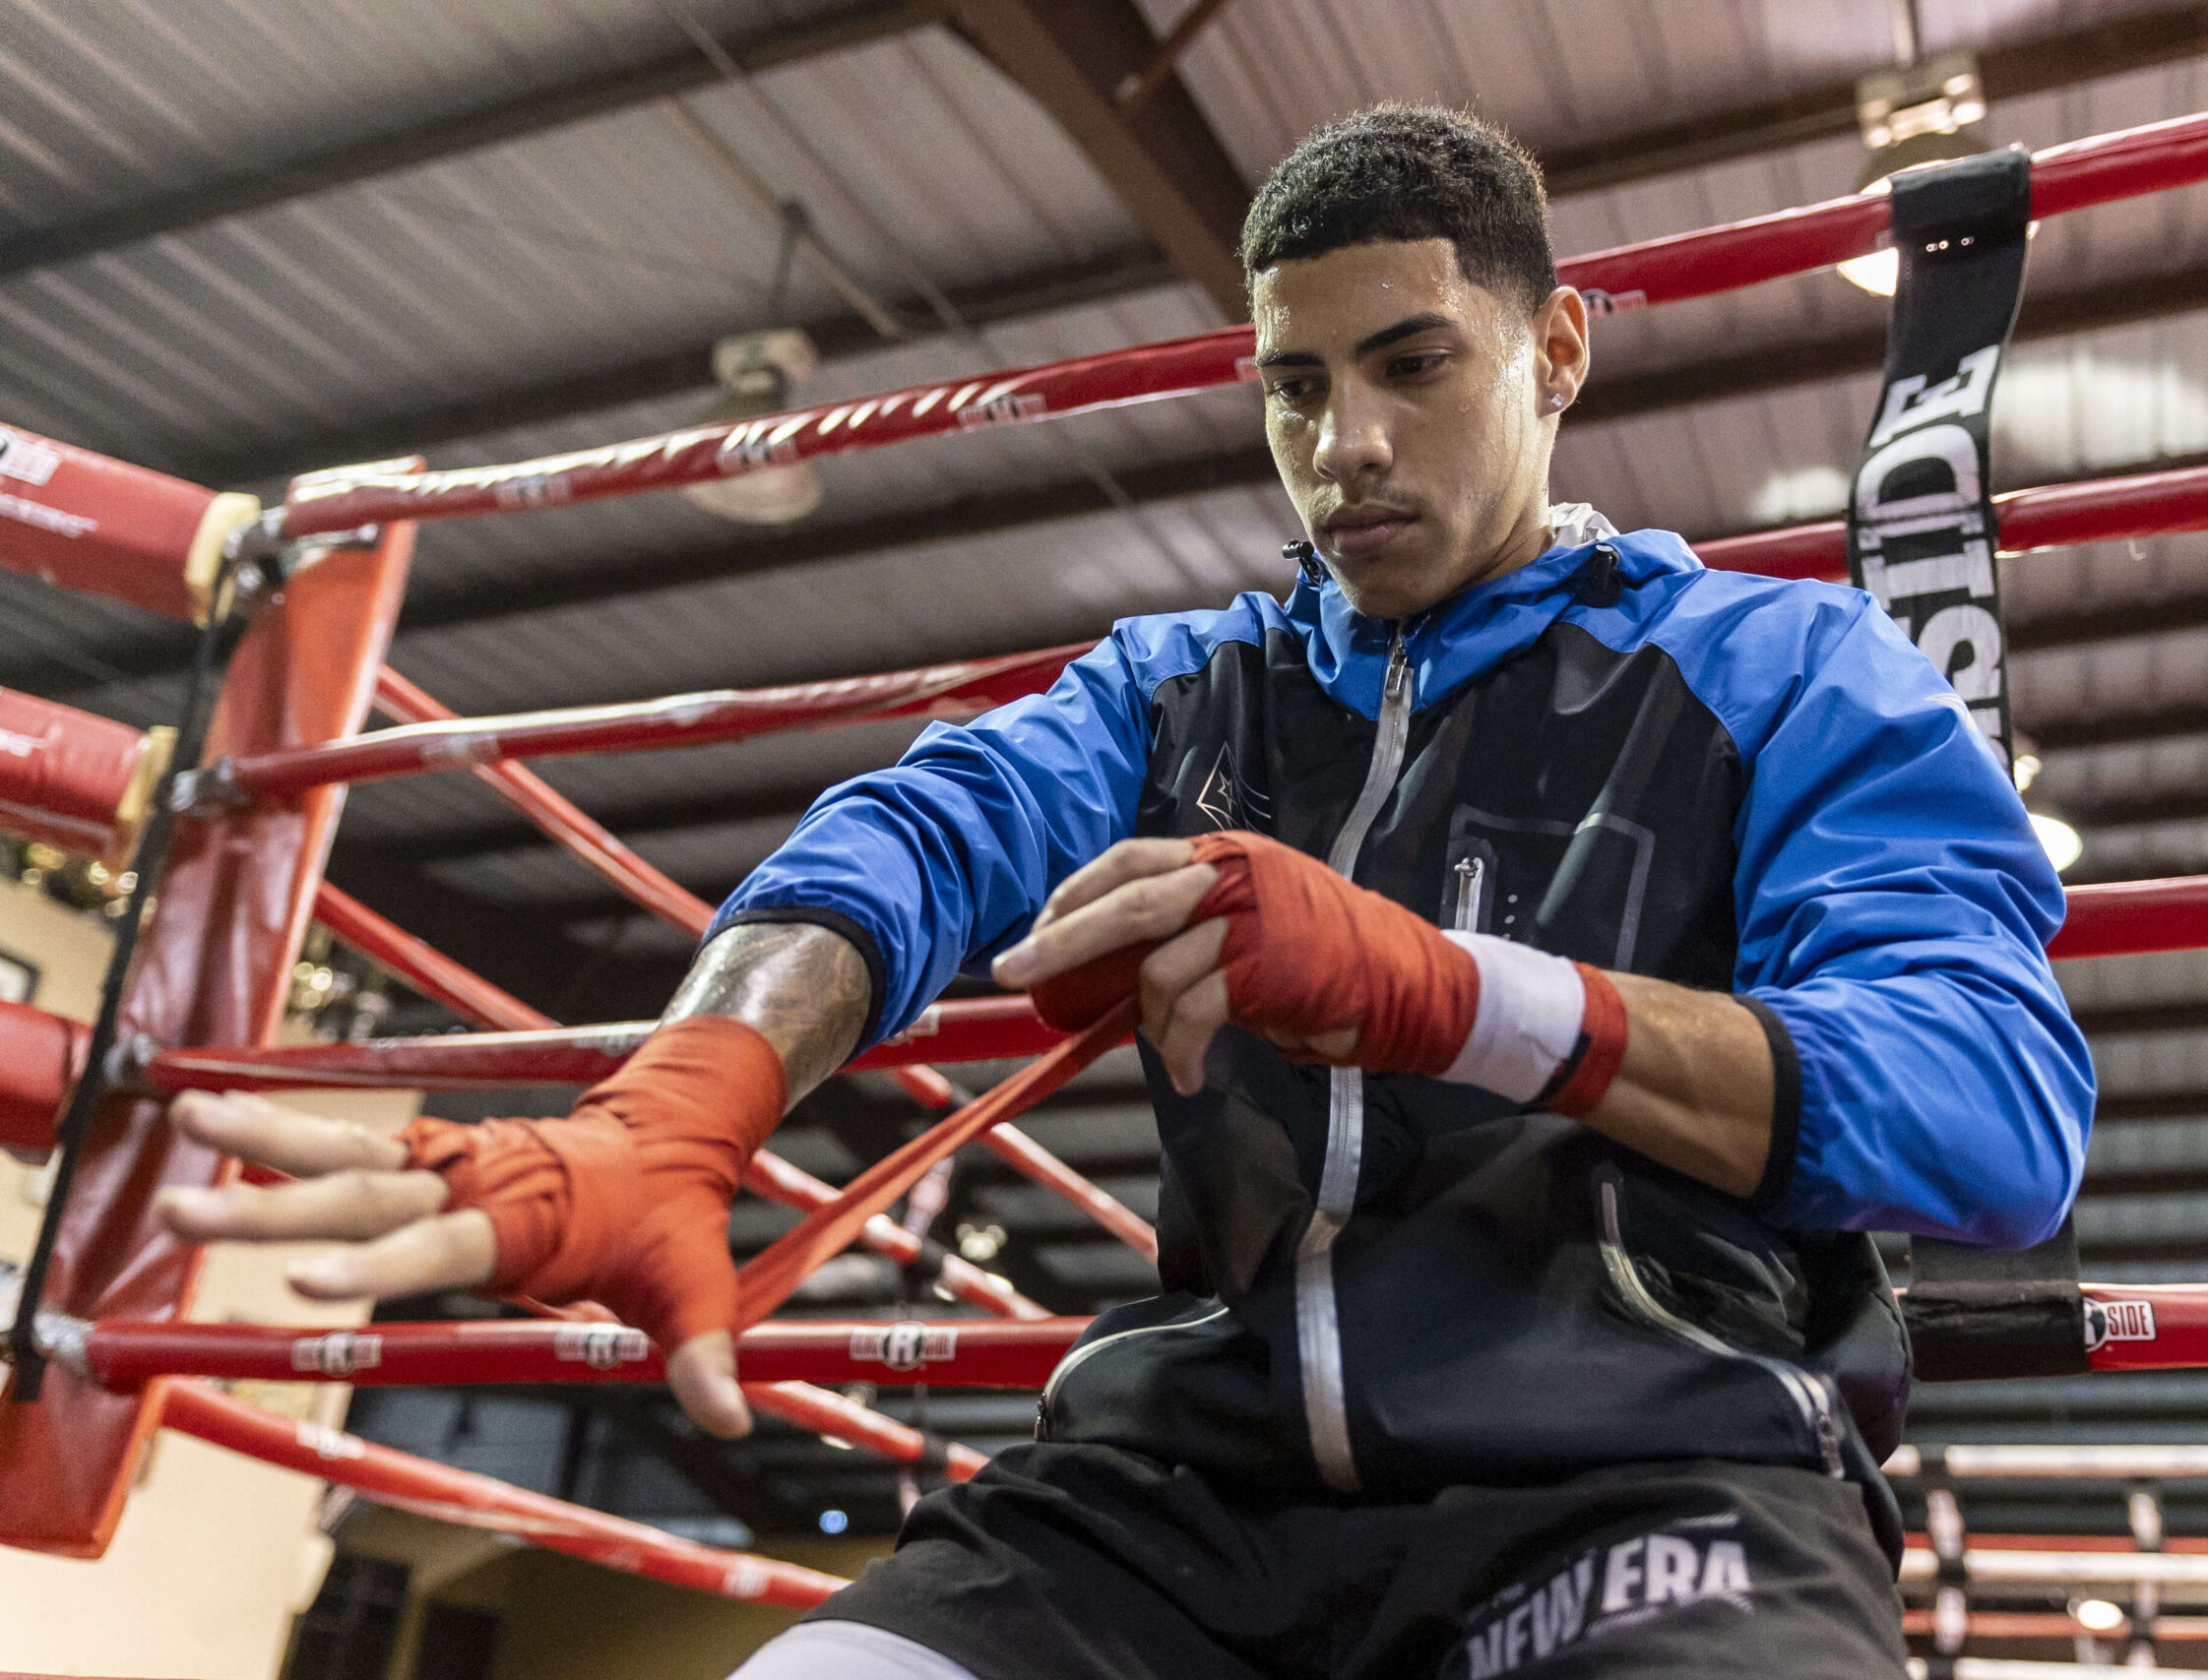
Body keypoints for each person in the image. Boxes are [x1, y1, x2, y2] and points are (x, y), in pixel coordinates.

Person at [159, 105, 2094, 1679]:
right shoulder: (1183, 689)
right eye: (1293, 386)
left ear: (1555, 350)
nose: (1344, 445)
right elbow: (913, 836)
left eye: (1413, 364)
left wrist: (1452, 991)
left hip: (1646, 1483)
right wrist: (687, 1097)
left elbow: (1991, 1111)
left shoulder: (1784, 671)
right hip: (1185, 1496)